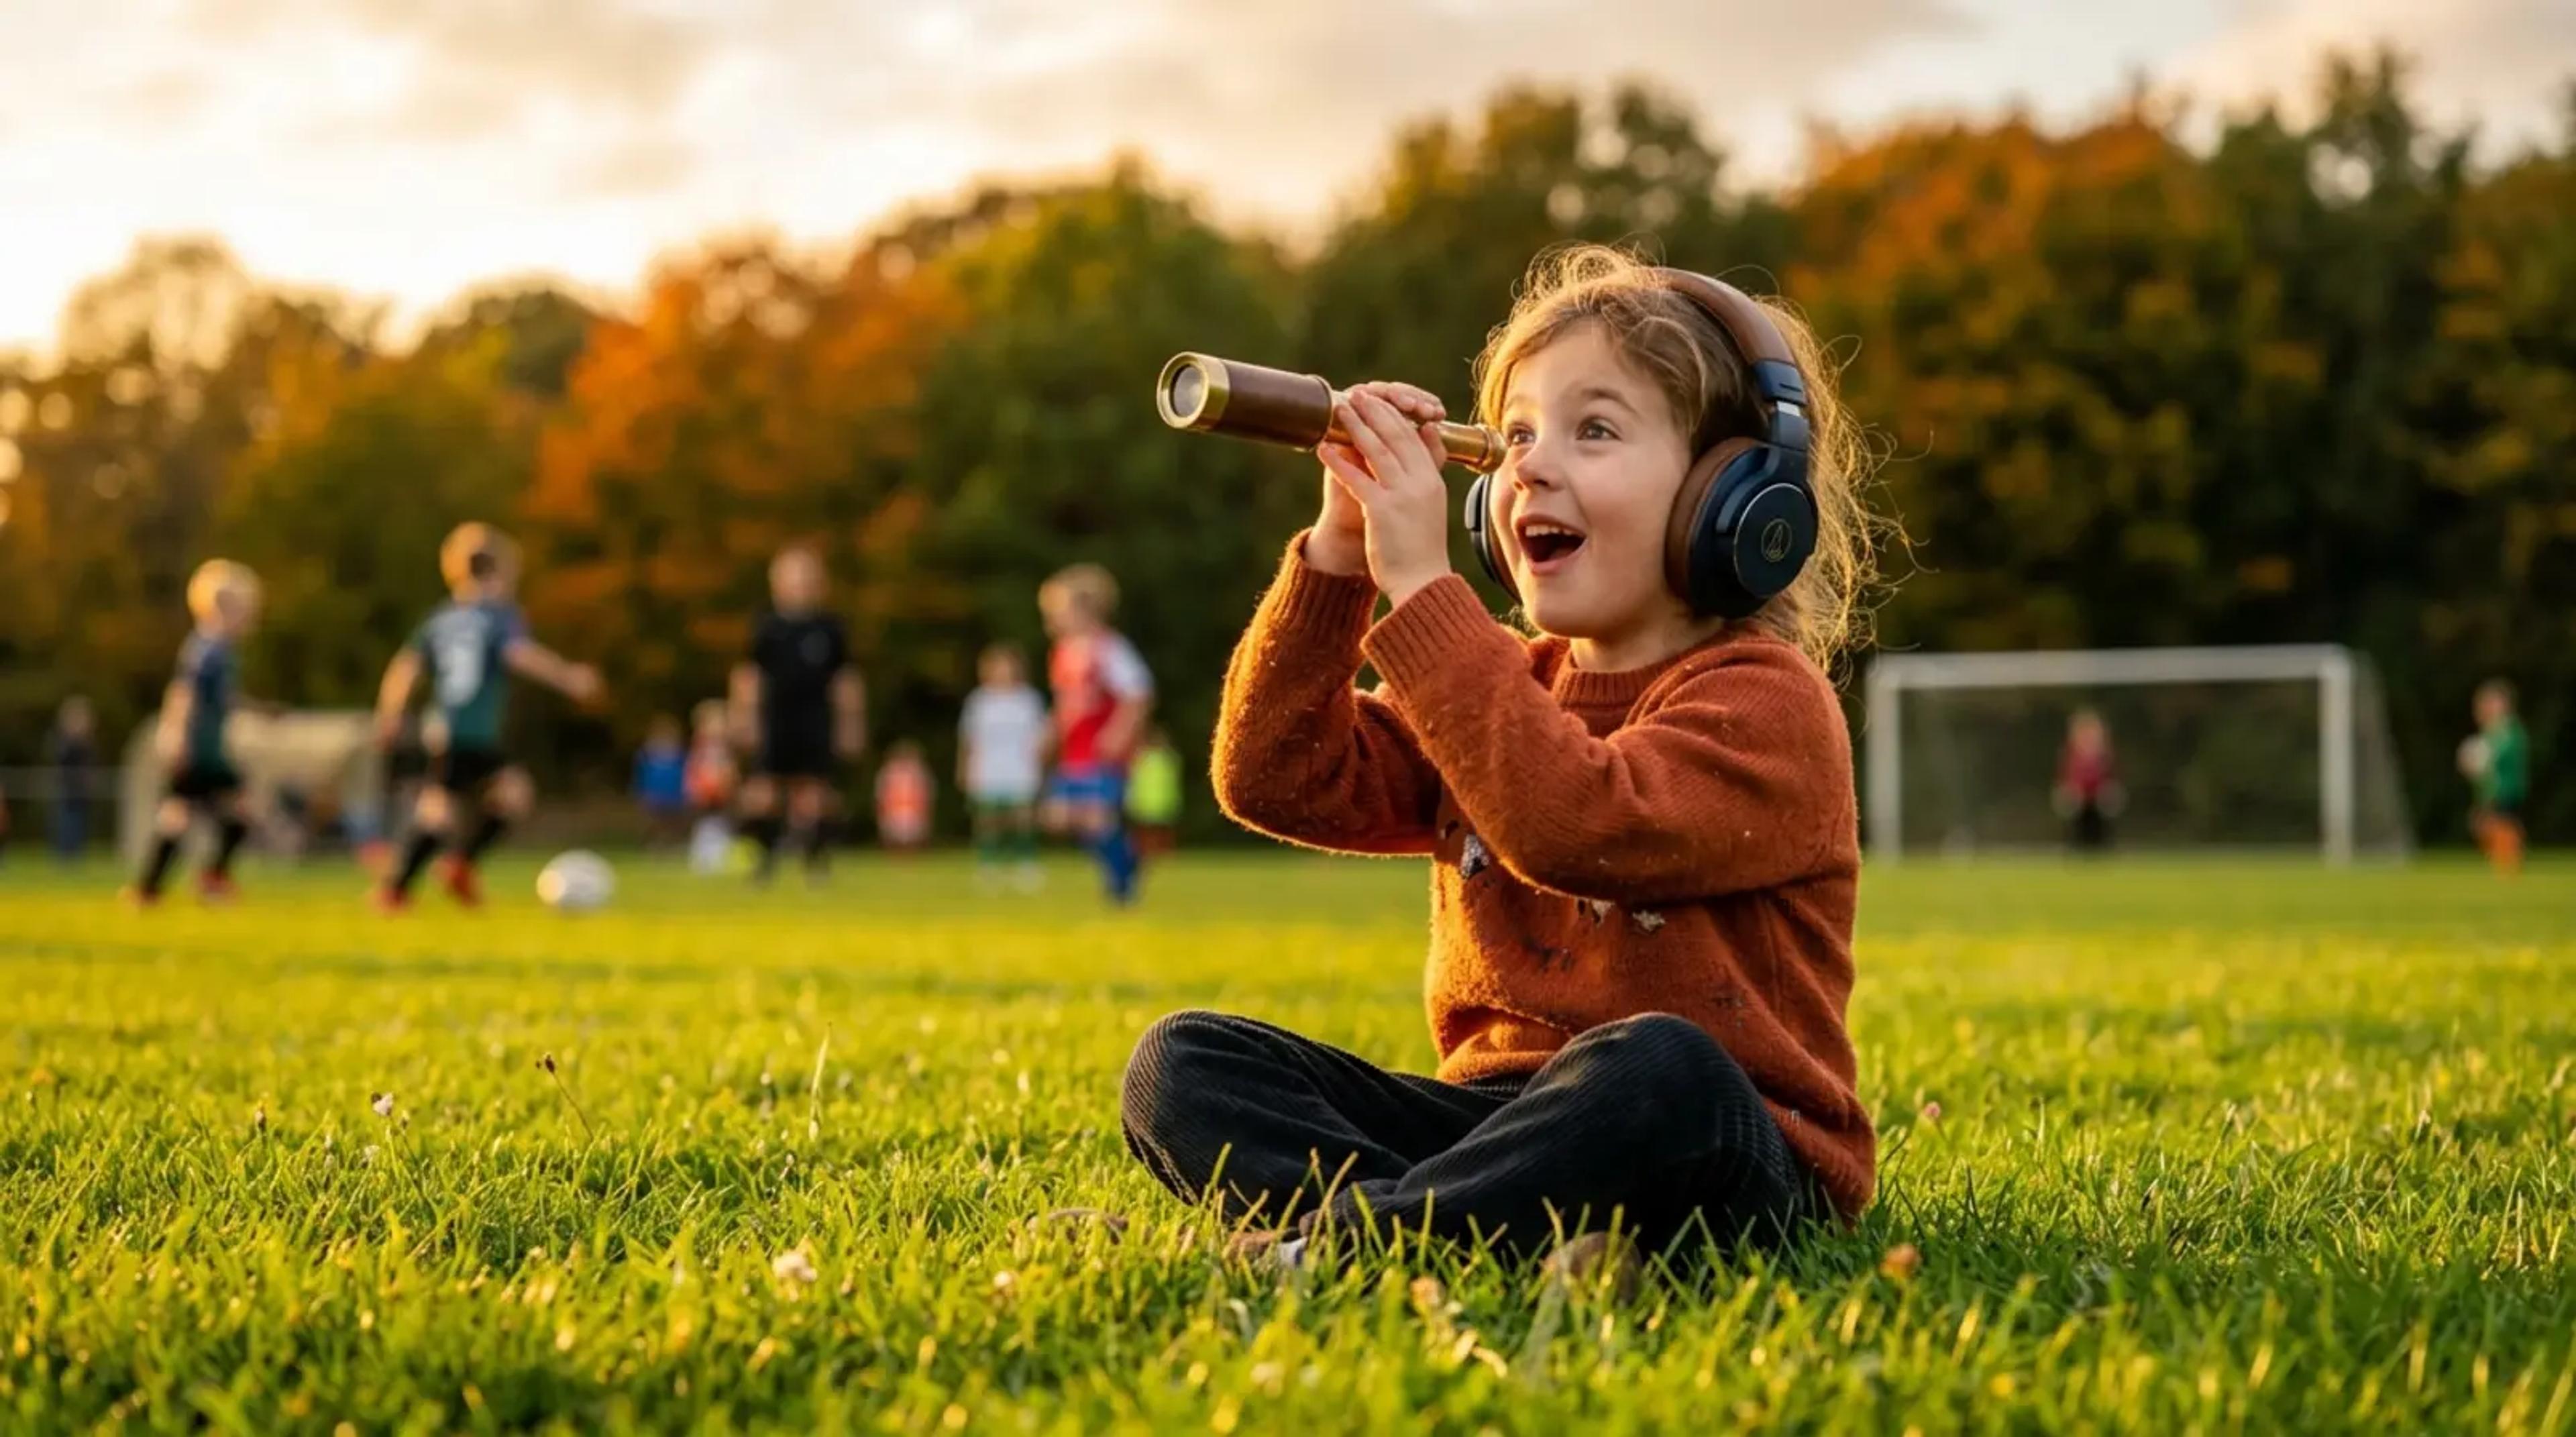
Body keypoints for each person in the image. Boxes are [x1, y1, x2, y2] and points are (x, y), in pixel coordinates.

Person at [1118, 248, 1880, 1270]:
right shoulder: (1499, 679)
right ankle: (1466, 1225)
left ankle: (1353, 1241)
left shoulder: (1766, 702)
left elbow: (1573, 821)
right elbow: (1274, 775)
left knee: (1660, 1065)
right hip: (1497, 1129)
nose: (1529, 465)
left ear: (1731, 495)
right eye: (1516, 433)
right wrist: (1342, 554)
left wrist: (1426, 588)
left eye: (1595, 429)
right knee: (1186, 1063)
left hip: (1719, 1143)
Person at [372, 523, 601, 911]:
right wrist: (569, 677)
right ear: (498, 572)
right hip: (471, 729)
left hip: (443, 728)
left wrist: (390, 714)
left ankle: (454, 867)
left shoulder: (441, 618)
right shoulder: (498, 616)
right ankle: (399, 888)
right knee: (443, 812)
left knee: (506, 796)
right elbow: (518, 654)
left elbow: (406, 667)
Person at [130, 560, 274, 905]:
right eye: (244, 609)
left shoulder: (220, 650)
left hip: (208, 748)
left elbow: (222, 698)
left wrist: (259, 709)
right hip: (196, 748)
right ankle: (196, 881)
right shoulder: (207, 648)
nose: (249, 618)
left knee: (183, 814)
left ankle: (155, 888)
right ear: (221, 607)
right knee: (194, 814)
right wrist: (177, 736)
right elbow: (184, 693)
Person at [733, 547, 865, 884]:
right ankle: (763, 860)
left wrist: (851, 723)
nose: (800, 585)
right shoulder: (767, 625)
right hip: (776, 718)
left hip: (815, 717)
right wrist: (744, 717)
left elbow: (845, 679)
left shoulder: (830, 627)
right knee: (763, 794)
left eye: (807, 578)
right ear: (777, 584)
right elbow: (750, 675)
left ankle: (815, 862)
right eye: (792, 578)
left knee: (816, 794)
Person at [1040, 564, 1153, 904]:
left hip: (1102, 752)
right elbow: (1066, 703)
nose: (1054, 620)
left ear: (1085, 610)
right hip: (1075, 751)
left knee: (1094, 817)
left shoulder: (1109, 648)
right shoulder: (1062, 653)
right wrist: (1048, 733)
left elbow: (1139, 693)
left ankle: (1121, 886)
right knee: (1059, 818)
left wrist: (1118, 732)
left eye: (1059, 611)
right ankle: (1129, 858)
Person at [959, 643, 1049, 892]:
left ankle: (1026, 864)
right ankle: (989, 865)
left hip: (1020, 766)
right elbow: (970, 739)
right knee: (989, 818)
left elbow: (1041, 737)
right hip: (989, 767)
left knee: (1022, 817)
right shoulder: (979, 702)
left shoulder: (1029, 700)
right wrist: (966, 769)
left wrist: (1040, 765)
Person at [2461, 678, 2530, 877]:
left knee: (2500, 824)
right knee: (2484, 824)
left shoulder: (2510, 731)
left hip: (2506, 789)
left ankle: (2509, 862)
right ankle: (2504, 861)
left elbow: (2499, 757)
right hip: (2490, 789)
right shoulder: (2490, 733)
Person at [2053, 708, 2121, 853]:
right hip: (2079, 797)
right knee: (2072, 803)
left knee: (2107, 802)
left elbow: (2111, 777)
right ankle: (2076, 846)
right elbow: (2066, 777)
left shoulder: (2105, 754)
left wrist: (2104, 791)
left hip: (2098, 796)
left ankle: (2103, 846)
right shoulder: (2070, 753)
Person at [684, 699, 740, 874]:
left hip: (721, 792)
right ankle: (703, 856)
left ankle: (718, 855)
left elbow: (730, 770)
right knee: (706, 823)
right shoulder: (701, 748)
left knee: (721, 823)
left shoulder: (725, 749)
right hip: (706, 791)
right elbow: (694, 769)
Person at [46, 696, 98, 861]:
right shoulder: (67, 742)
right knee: (68, 821)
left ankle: (74, 853)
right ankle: (66, 854)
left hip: (79, 789)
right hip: (68, 788)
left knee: (77, 821)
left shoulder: (85, 742)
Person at [1126, 726, 1183, 859]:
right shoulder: (1145, 758)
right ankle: (1144, 852)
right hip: (1147, 799)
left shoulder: (1165, 758)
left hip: (1161, 798)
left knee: (1162, 830)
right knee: (1146, 830)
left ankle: (1163, 853)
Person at [633, 714, 689, 850]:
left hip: (674, 795)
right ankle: (655, 846)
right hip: (654, 795)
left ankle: (672, 845)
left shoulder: (679, 754)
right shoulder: (647, 754)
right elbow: (641, 775)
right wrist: (641, 792)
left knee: (673, 823)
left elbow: (686, 774)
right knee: (655, 823)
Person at [874, 741, 934, 855]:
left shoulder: (919, 774)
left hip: (914, 815)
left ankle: (912, 854)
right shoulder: (887, 774)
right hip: (894, 815)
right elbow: (881, 801)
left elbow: (925, 800)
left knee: (912, 827)